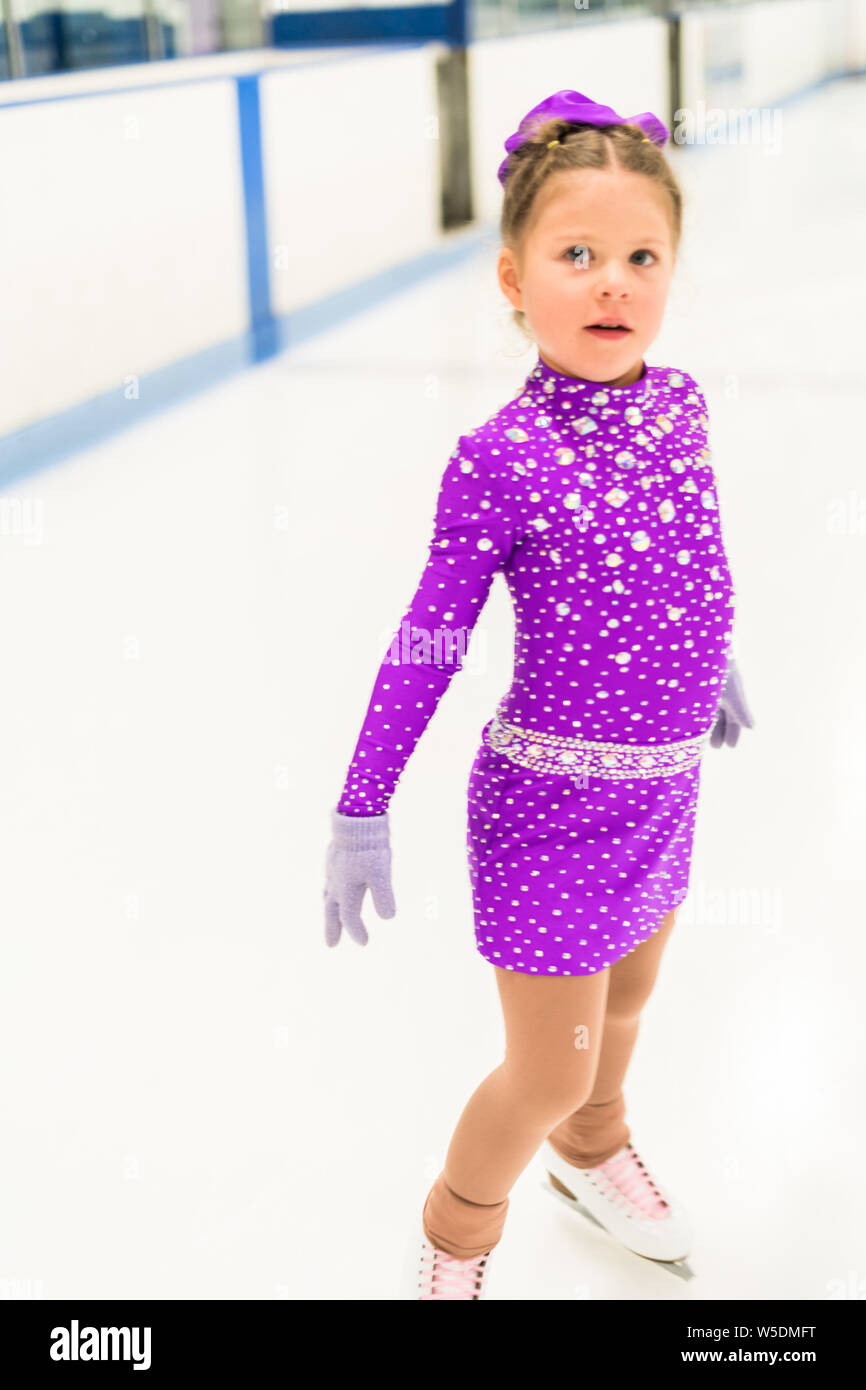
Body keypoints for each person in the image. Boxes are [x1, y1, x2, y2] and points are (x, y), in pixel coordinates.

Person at [323, 89, 755, 1300]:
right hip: (551, 814)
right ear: (512, 279)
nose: (611, 282)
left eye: (638, 257)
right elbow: (427, 641)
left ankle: (593, 1152)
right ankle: (451, 1242)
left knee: (628, 1005)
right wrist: (362, 802)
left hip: (664, 788)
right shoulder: (498, 461)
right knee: (544, 1067)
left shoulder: (677, 404)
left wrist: (707, 650)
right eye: (576, 256)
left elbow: (688, 544)